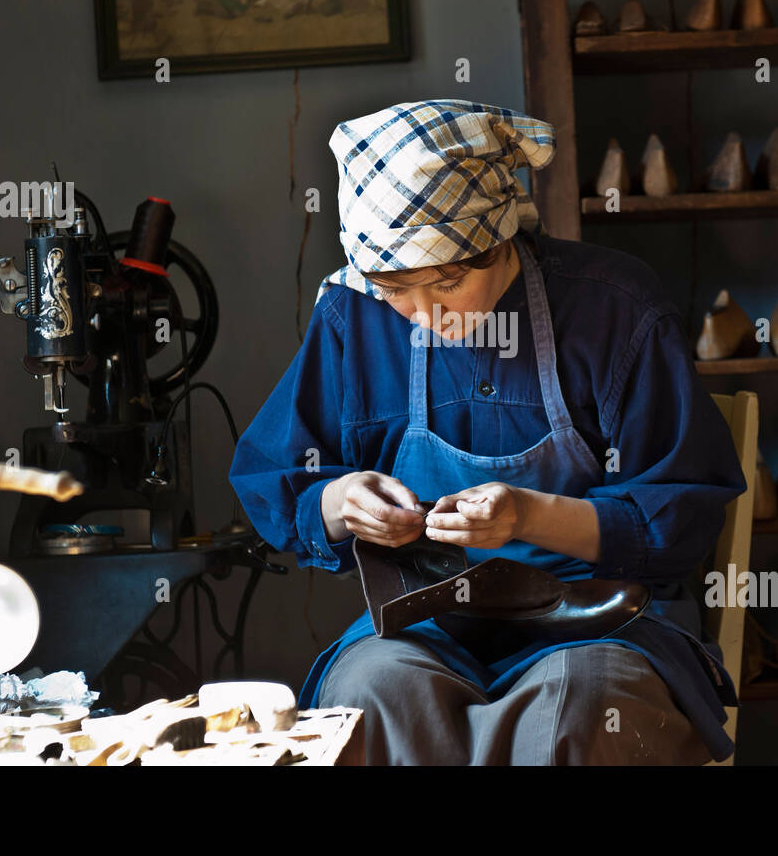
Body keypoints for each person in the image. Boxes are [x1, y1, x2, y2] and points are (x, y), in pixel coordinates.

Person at [230, 99, 746, 765]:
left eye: (447, 280)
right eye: (396, 289)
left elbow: (680, 514)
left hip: (598, 621)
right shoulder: (352, 320)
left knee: (582, 705)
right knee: (372, 692)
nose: (425, 314)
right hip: (423, 625)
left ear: (500, 234)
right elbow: (280, 476)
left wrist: (529, 514)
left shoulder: (613, 308)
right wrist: (341, 502)